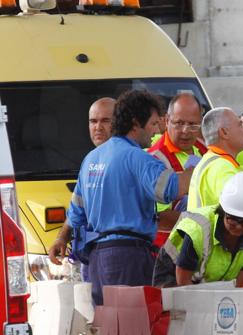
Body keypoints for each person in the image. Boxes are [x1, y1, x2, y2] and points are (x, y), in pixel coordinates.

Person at [67, 90, 193, 305]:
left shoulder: (91, 158)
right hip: (127, 257)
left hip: (98, 258)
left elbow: (76, 211)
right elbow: (169, 189)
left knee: (108, 326)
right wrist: (199, 167)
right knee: (133, 326)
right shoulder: (137, 158)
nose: (155, 132)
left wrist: (61, 238)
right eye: (153, 124)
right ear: (136, 123)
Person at [161, 172, 243, 287]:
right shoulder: (198, 229)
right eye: (232, 219)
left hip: (213, 283)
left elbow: (241, 278)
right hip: (173, 280)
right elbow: (183, 283)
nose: (238, 226)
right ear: (223, 211)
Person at [47, 97, 116, 269]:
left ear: (119, 122)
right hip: (91, 253)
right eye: (93, 121)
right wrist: (62, 237)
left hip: (115, 253)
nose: (98, 127)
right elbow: (77, 207)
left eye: (106, 121)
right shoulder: (91, 159)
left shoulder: (127, 157)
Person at [148, 92, 207, 246]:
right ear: (167, 121)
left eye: (192, 124)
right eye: (179, 123)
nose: (186, 130)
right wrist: (206, 220)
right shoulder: (155, 159)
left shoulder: (204, 150)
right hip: (169, 249)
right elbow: (159, 215)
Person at [187, 107, 243, 210]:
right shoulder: (221, 167)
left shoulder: (215, 161)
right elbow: (242, 208)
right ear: (224, 132)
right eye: (240, 125)